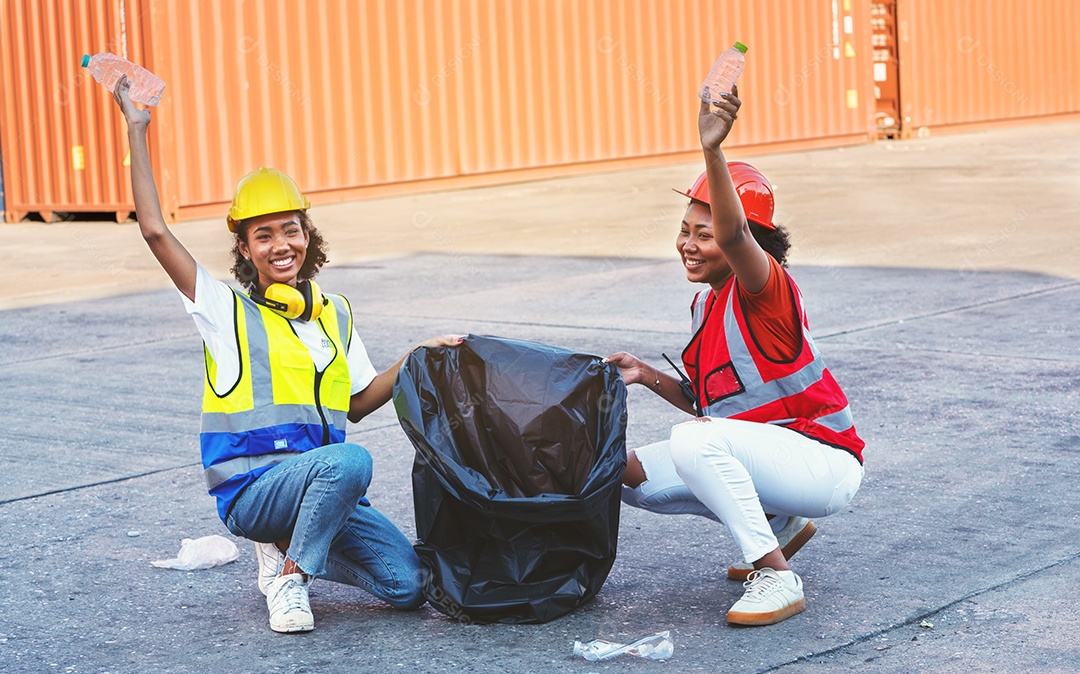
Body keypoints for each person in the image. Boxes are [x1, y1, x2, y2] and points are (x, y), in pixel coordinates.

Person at [113, 76, 462, 633]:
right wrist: (137, 129)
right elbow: (155, 232)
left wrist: (416, 355)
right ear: (246, 249)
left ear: (308, 235)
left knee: (409, 587)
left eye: (291, 230)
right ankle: (290, 578)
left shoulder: (335, 312)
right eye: (264, 235)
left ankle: (292, 546)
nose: (281, 245)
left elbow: (356, 404)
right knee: (354, 461)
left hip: (320, 492)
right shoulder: (226, 312)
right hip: (253, 492)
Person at [605, 87, 865, 626]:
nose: (690, 244)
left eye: (706, 234)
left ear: (749, 241)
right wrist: (646, 375)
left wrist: (712, 151)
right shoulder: (707, 307)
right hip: (779, 461)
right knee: (624, 474)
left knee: (694, 439)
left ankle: (776, 575)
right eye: (684, 231)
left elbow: (736, 230)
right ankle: (779, 524)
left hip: (825, 465)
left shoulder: (765, 289)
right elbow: (712, 403)